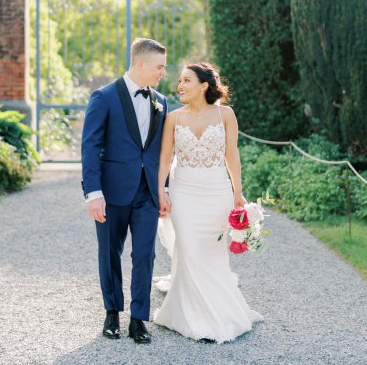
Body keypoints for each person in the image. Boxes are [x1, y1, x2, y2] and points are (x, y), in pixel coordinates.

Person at [154, 62, 263, 343]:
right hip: (184, 193)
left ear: (204, 85)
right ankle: (191, 315)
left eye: (186, 80)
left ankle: (220, 311)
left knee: (212, 253)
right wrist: (160, 191)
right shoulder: (173, 118)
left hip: (217, 192)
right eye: (179, 80)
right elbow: (165, 158)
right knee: (188, 248)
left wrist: (238, 193)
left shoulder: (225, 113)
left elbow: (232, 155)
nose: (180, 85)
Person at [81, 38, 170, 344]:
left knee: (145, 254)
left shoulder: (162, 100)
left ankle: (138, 319)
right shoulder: (103, 97)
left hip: (147, 193)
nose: (163, 73)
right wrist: (93, 193)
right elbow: (89, 146)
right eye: (159, 67)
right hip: (111, 192)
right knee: (110, 253)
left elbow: (161, 151)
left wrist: (164, 188)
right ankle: (111, 313)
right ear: (141, 64)